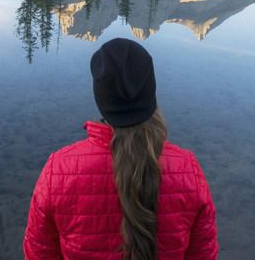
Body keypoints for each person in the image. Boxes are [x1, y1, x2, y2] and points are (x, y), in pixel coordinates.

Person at [24, 38, 218, 260]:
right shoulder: (187, 170)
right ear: (150, 92)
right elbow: (203, 255)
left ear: (101, 100)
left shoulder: (58, 171)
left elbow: (39, 254)